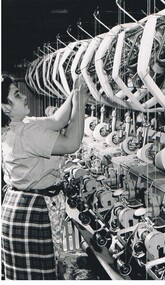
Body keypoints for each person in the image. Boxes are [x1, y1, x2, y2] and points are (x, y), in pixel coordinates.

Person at [1, 74, 89, 280]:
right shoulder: (26, 133)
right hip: (31, 210)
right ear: (5, 108)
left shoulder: (18, 126)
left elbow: (57, 121)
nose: (24, 96)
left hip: (20, 206)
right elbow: (71, 144)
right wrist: (80, 102)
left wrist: (74, 92)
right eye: (17, 94)